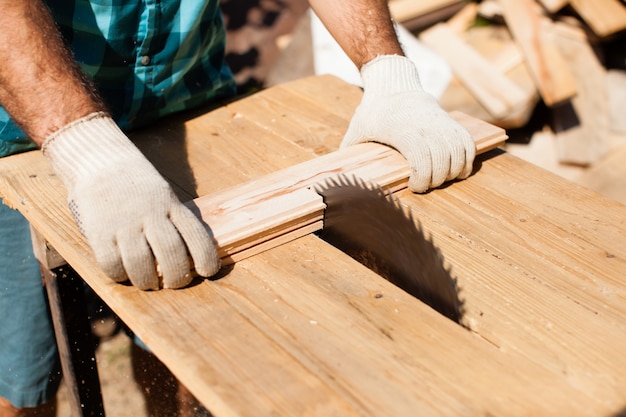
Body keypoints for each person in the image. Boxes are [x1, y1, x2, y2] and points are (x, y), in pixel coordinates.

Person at [0, 0, 476, 416]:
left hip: (189, 103)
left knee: (191, 358)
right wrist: (87, 150)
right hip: (27, 135)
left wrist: (389, 76)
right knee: (20, 384)